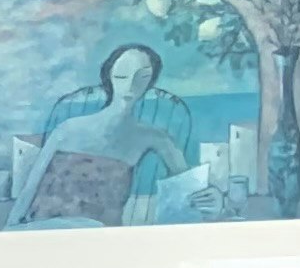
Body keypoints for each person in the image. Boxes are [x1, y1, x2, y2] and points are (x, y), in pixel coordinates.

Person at [12, 41, 196, 226]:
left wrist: (208, 197)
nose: (131, 84)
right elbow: (30, 188)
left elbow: (189, 187)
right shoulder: (68, 130)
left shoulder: (153, 137)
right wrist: (10, 228)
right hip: (44, 229)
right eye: (122, 75)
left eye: (142, 76)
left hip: (100, 233)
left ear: (151, 81)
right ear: (109, 76)